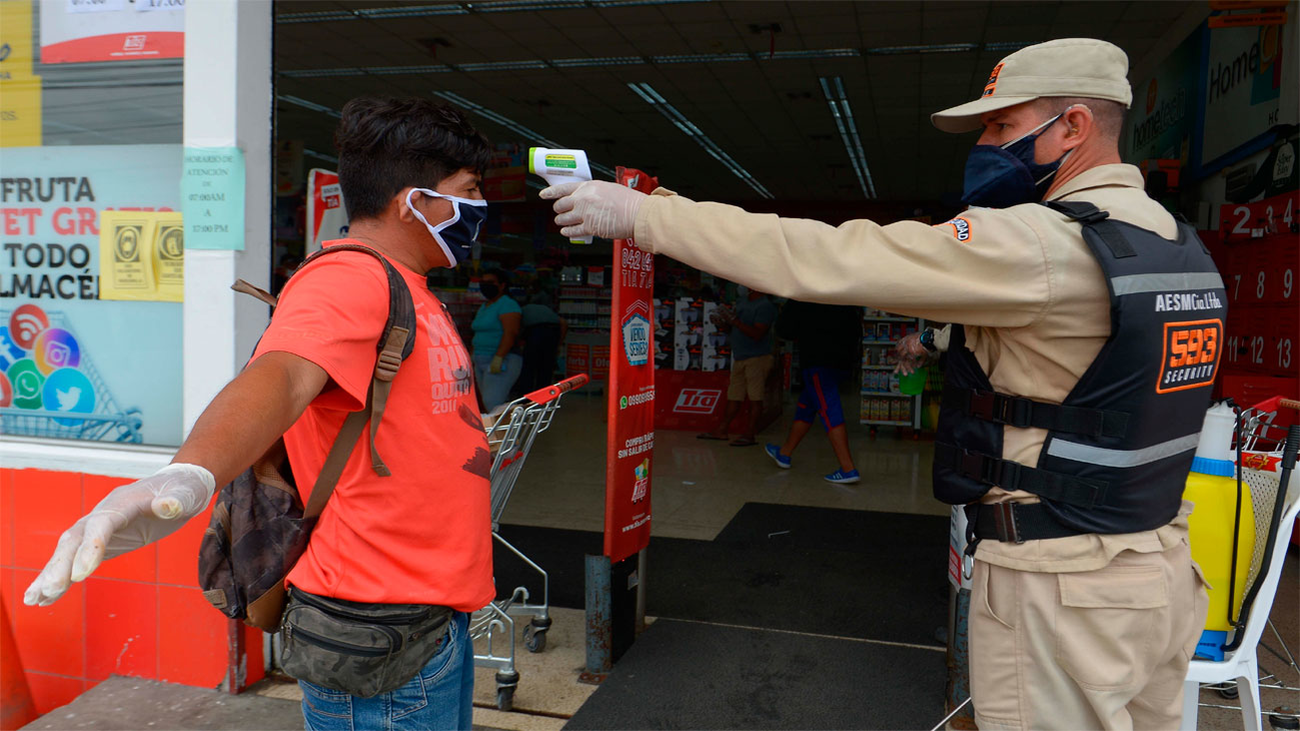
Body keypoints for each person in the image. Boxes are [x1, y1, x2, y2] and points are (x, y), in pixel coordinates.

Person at [542, 38, 1220, 731]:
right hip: (1159, 565)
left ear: (1073, 125)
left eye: (1001, 125)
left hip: (1064, 584)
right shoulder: (1173, 241)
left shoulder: (1042, 242)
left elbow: (830, 257)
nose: (985, 145)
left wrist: (646, 217)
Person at [24, 96, 497, 730]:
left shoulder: (410, 286)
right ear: (412, 202)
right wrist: (191, 472)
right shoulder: (350, 279)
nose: (479, 209)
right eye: (468, 192)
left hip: (429, 617)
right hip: (377, 632)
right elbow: (282, 375)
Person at [766, 300, 862, 484]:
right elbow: (856, 329)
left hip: (817, 361)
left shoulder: (802, 297)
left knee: (829, 410)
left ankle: (848, 468)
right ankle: (784, 453)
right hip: (841, 363)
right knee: (806, 407)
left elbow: (784, 330)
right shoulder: (841, 295)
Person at [697, 287, 778, 446]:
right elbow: (734, 329)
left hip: (757, 358)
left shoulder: (765, 306)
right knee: (734, 395)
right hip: (740, 357)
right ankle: (722, 429)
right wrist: (723, 323)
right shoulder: (742, 302)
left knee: (755, 397)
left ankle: (750, 433)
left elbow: (757, 333)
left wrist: (735, 321)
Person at [471, 268, 522, 410]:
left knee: (492, 402)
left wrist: (499, 357)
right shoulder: (485, 306)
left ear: (502, 285)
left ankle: (502, 425)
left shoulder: (508, 305)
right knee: (486, 402)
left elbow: (511, 333)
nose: (485, 286)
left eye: (490, 282)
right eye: (483, 282)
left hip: (502, 360)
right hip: (480, 359)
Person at [517, 288, 566, 394]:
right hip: (553, 332)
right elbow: (563, 323)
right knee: (546, 367)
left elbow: (517, 328)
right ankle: (544, 394)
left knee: (529, 366)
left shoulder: (521, 310)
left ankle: (526, 395)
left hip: (535, 332)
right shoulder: (546, 310)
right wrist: (559, 343)